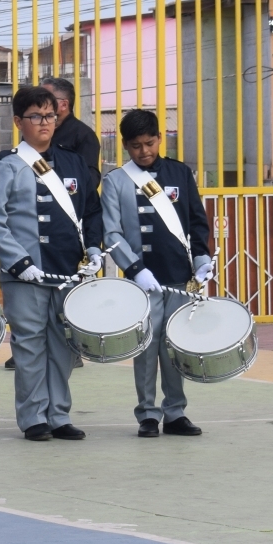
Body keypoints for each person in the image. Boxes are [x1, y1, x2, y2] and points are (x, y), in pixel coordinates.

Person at [0, 85, 105, 442]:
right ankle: (34, 416)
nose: (45, 122)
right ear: (19, 122)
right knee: (30, 345)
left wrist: (94, 248)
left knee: (64, 345)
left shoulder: (73, 161)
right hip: (26, 273)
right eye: (36, 116)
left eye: (50, 115)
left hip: (67, 270)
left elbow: (91, 211)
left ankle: (59, 414)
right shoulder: (8, 164)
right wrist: (18, 261)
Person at [101, 109, 210, 439]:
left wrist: (202, 259)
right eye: (136, 146)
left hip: (179, 276)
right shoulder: (116, 181)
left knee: (174, 345)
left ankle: (175, 411)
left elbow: (196, 220)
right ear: (125, 145)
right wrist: (134, 268)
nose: (144, 151)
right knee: (146, 348)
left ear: (160, 139)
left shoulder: (180, 172)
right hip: (143, 279)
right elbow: (112, 233)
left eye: (149, 143)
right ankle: (148, 413)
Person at [41, 76, 101, 175]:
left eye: (45, 98)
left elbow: (90, 177)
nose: (38, 102)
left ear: (64, 105)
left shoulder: (83, 135)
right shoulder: (34, 129)